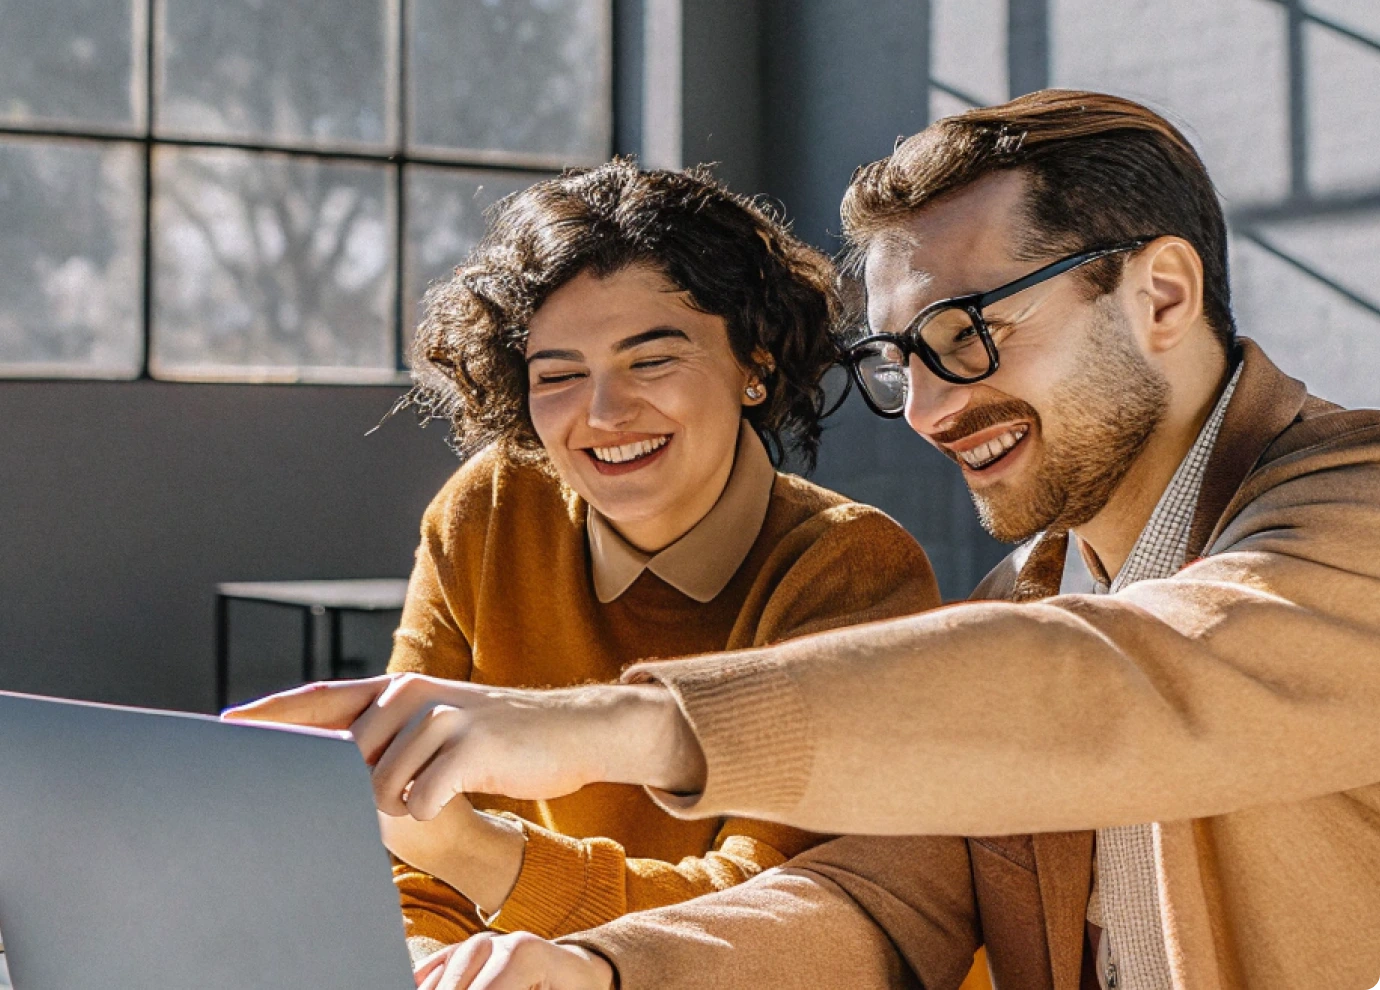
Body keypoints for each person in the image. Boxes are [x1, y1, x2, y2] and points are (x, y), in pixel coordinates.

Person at [231, 90, 1380, 990]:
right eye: (903, 358)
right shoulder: (1015, 606)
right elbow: (878, 907)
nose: (929, 412)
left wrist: (604, 726)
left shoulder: (1356, 512)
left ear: (1163, 298)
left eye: (967, 333)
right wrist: (594, 971)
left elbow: (1134, 676)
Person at [229, 160, 943, 968]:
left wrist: (477, 855)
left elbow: (763, 922)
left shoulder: (852, 569)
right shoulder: (490, 510)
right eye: (559, 375)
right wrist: (433, 965)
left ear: (757, 365)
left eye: (651, 361)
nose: (604, 414)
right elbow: (401, 863)